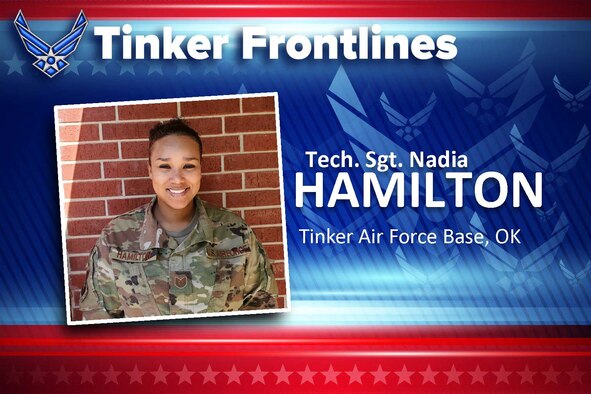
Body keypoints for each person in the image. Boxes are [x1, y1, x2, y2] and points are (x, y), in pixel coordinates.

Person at [79, 118, 278, 320]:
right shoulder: (116, 238)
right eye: (165, 166)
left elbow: (262, 308)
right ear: (150, 170)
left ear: (201, 168)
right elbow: (98, 318)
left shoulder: (236, 233)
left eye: (188, 166)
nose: (177, 178)